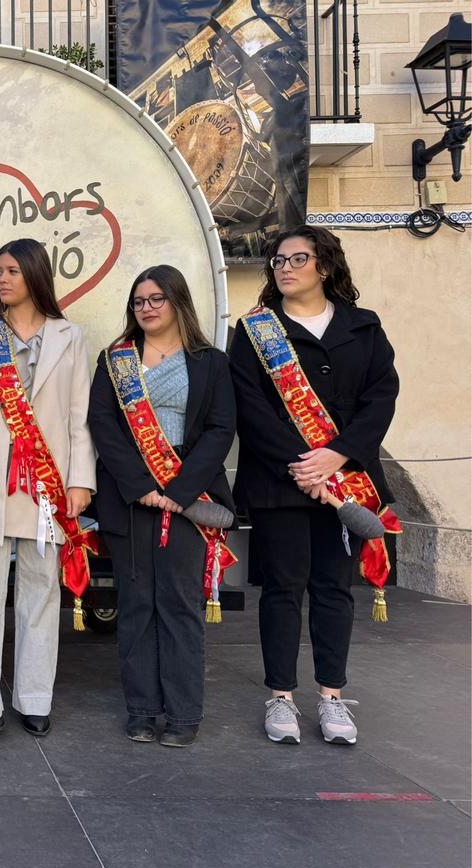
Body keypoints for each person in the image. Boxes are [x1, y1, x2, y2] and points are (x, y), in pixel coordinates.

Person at [230, 225, 399, 746]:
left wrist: (337, 454)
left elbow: (381, 396)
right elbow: (249, 406)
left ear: (324, 265)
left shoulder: (362, 327)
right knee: (282, 587)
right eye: (278, 261)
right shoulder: (255, 330)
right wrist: (303, 464)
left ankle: (331, 698)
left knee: (332, 587)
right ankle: (280, 696)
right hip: (283, 482)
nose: (284, 267)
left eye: (296, 258)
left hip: (345, 480)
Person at [0, 238, 95, 738]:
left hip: (46, 486)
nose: (2, 279)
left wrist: (79, 481)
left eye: (11, 270)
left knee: (41, 591)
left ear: (34, 274)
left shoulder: (71, 338)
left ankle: (34, 696)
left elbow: (79, 418)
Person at [87, 265, 236, 747]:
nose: (146, 308)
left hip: (188, 501)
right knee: (136, 606)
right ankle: (142, 709)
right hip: (131, 499)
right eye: (138, 301)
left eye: (156, 299)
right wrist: (141, 484)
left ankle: (183, 714)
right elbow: (103, 424)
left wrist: (179, 490)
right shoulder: (116, 360)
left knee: (179, 605)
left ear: (177, 302)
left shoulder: (210, 361)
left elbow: (220, 429)